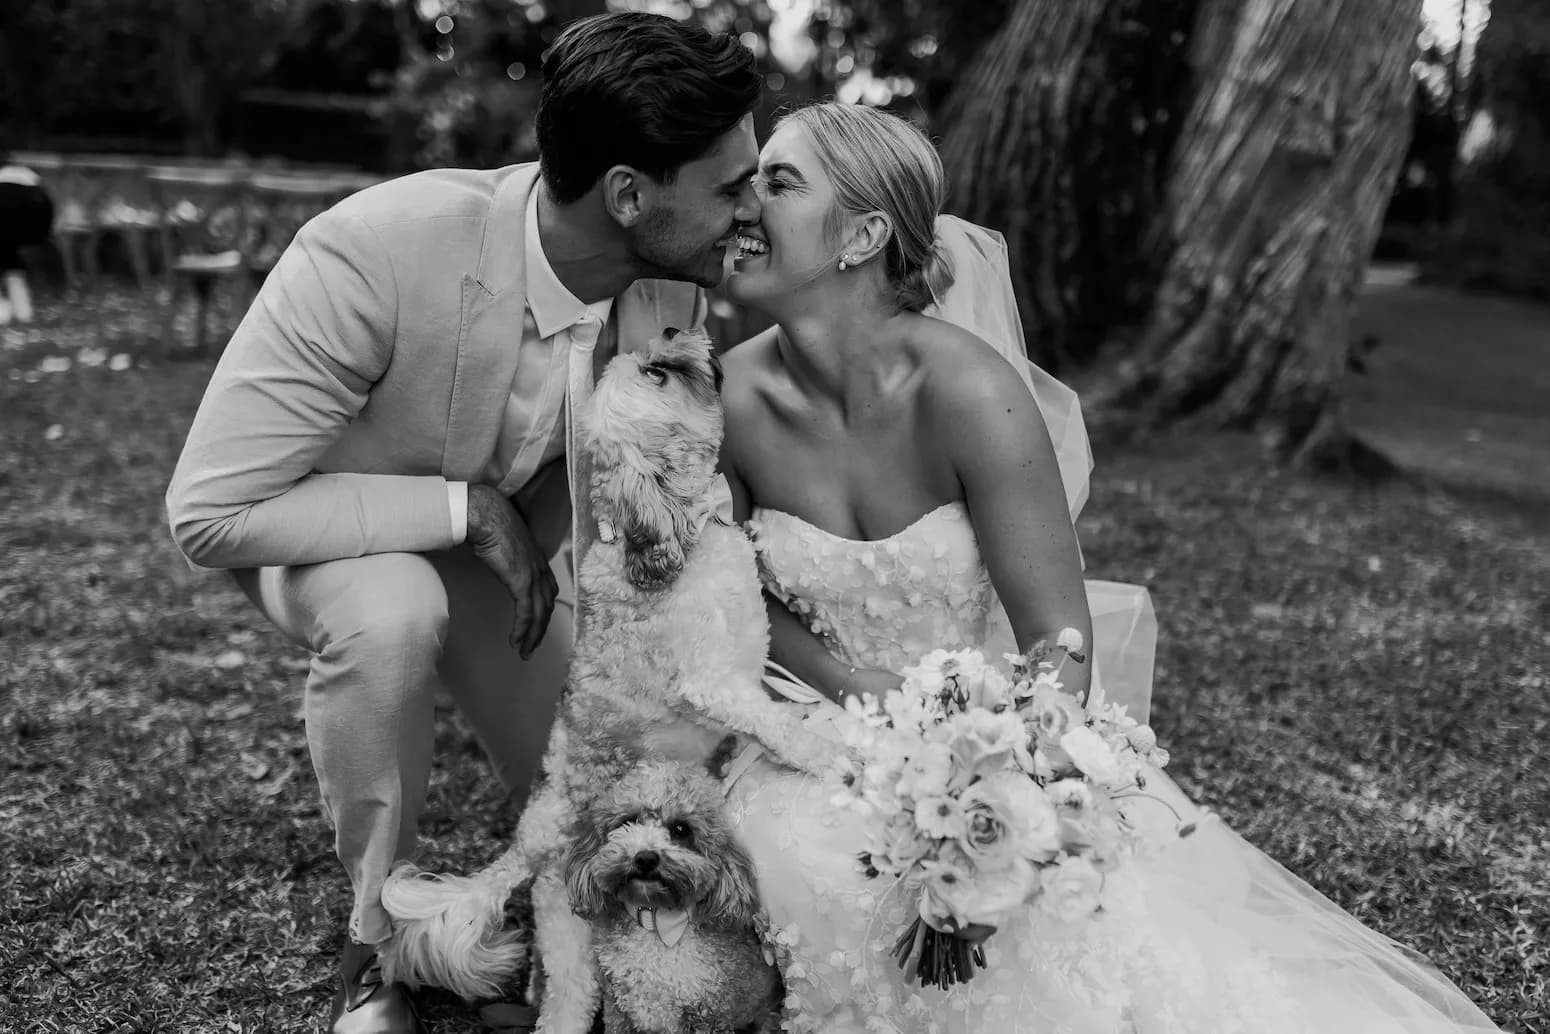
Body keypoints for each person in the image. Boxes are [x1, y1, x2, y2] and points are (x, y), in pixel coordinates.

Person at [714, 102, 1502, 1034]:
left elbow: (1058, 640)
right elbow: (742, 598)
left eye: (779, 180)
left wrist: (999, 779)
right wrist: (865, 703)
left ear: (863, 235)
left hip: (992, 733)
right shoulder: (727, 397)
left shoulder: (971, 390)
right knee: (788, 852)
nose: (742, 203)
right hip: (811, 728)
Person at [162, 13, 762, 1032]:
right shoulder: (374, 248)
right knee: (392, 613)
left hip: (508, 559)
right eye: (731, 186)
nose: (748, 210)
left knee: (602, 796)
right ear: (628, 194)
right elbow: (211, 509)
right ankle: (372, 941)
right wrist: (460, 509)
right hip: (323, 532)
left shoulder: (667, 290)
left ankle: (559, 947)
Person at [0, 151, 55, 325]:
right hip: (28, 231)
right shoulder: (32, 178)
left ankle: (3, 313)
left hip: (4, 226)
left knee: (8, 265)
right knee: (13, 267)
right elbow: (48, 207)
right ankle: (24, 311)